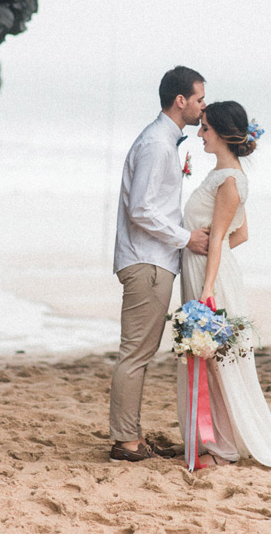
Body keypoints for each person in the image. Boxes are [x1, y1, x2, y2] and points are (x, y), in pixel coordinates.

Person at [177, 101, 271, 468]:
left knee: (218, 361)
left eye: (204, 128)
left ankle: (224, 447)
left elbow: (220, 237)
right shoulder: (224, 175)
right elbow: (242, 234)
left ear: (220, 133)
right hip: (210, 269)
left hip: (210, 278)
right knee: (211, 360)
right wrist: (204, 258)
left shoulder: (230, 181)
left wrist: (207, 286)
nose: (200, 134)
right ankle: (213, 439)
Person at [109, 65, 209, 462]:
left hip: (153, 260)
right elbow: (142, 209)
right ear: (181, 100)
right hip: (147, 263)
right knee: (136, 353)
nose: (204, 107)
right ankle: (126, 442)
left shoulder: (165, 142)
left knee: (140, 352)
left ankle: (130, 436)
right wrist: (187, 238)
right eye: (200, 99)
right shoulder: (156, 144)